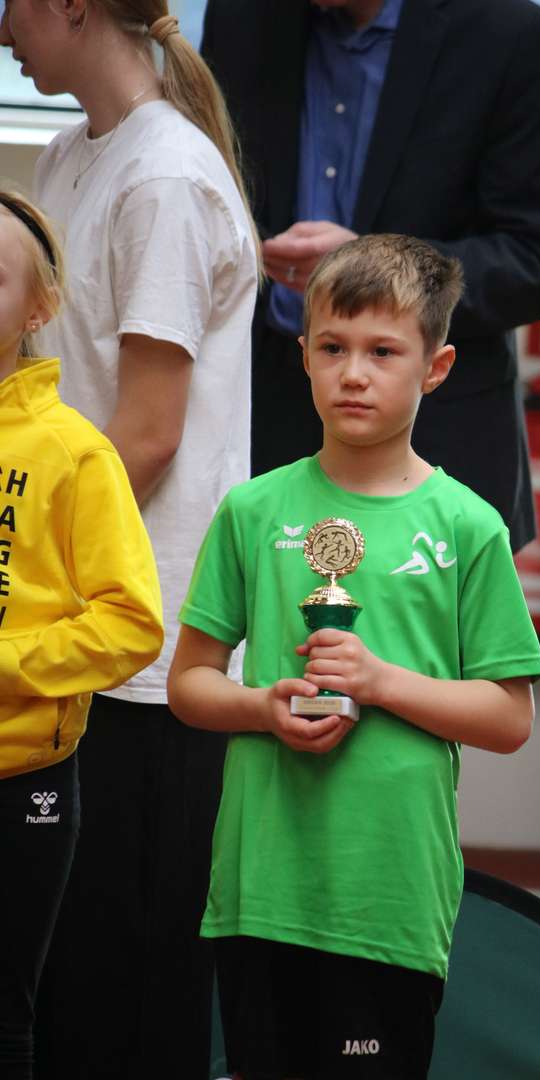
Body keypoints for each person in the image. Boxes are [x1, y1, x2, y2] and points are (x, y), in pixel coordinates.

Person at [167, 234, 540, 1080]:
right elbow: (189, 684)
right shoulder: (253, 510)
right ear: (302, 354)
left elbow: (509, 717)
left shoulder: (468, 525)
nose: (353, 374)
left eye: (383, 352)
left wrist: (380, 682)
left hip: (389, 898)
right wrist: (262, 707)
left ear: (436, 368)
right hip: (261, 890)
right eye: (333, 348)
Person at [0, 2, 259, 1076]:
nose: (2, 27)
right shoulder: (72, 154)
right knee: (55, 987)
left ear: (69, 5)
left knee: (129, 987)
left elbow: (146, 434)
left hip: (142, 646)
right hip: (64, 638)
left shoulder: (165, 177)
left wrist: (36, 571)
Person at [201, 0, 540, 553]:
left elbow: (536, 261)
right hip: (261, 431)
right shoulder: (243, 17)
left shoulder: (510, 35)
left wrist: (374, 266)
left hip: (434, 446)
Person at [0, 190, 163, 1080]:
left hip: (21, 781)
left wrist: (7, 666)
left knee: (4, 1017)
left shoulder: (75, 453)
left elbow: (131, 624)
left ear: (40, 308)